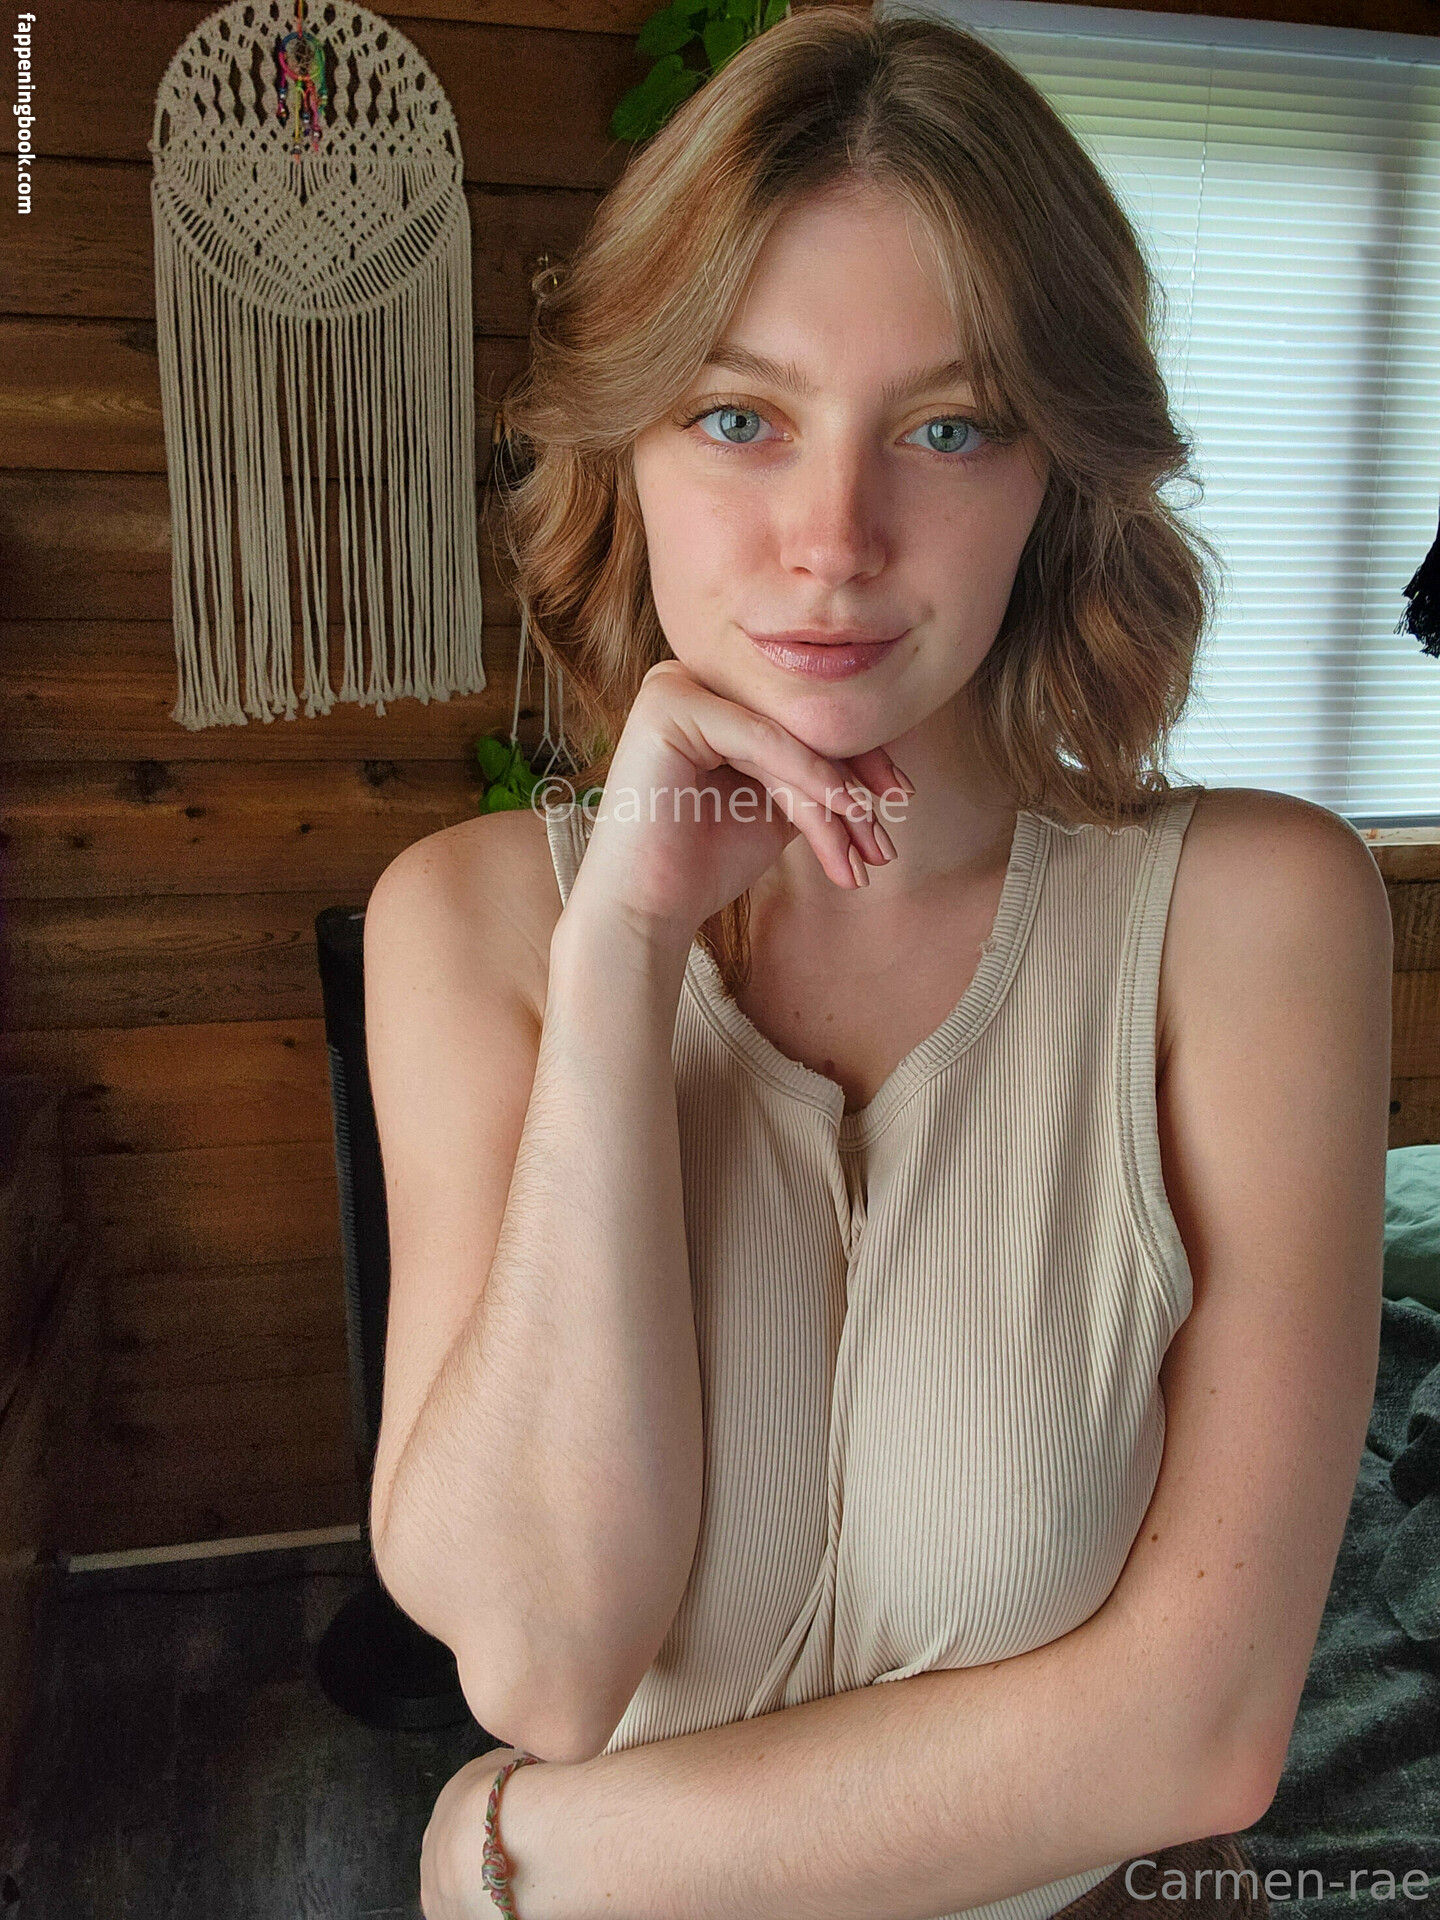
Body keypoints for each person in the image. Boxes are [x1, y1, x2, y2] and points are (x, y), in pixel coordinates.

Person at [361, 9, 1394, 1918]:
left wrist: (531, 1860)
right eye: (738, 417)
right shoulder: (465, 927)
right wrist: (624, 952)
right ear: (627, 448)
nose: (832, 543)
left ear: (1056, 472)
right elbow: (546, 1662)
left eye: (948, 427)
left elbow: (1201, 1733)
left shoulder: (1259, 918)